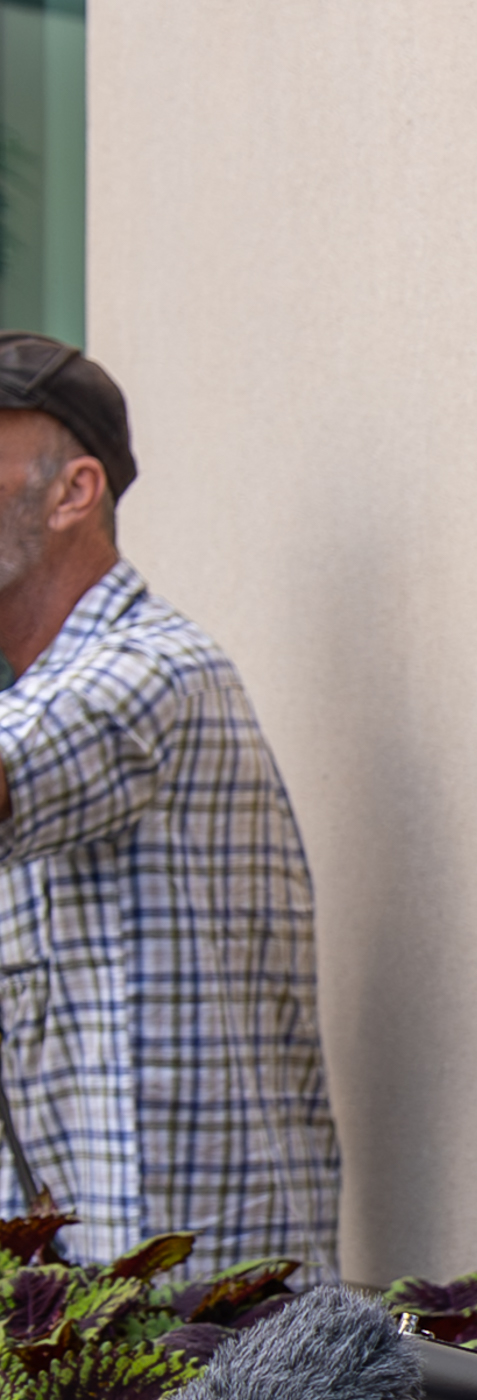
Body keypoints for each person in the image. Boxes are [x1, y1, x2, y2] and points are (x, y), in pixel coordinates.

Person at [0, 336, 338, 1271]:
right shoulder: (39, 694)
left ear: (73, 492)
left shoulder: (155, 668)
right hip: (102, 1316)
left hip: (207, 1332)